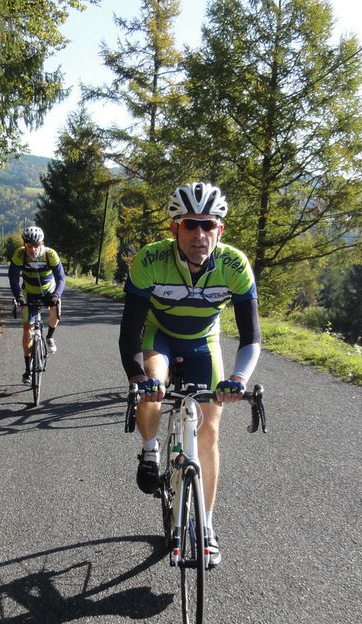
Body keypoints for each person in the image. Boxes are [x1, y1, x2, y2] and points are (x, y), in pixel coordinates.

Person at [118, 182, 261, 569]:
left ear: (220, 229)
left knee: (210, 429)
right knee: (154, 385)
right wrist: (138, 377)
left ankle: (207, 528)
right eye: (190, 225)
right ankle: (150, 450)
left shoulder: (234, 265)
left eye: (208, 225)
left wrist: (239, 379)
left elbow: (251, 337)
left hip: (203, 341)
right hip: (159, 336)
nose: (200, 234)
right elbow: (130, 332)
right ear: (175, 229)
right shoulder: (150, 260)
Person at [8, 226, 65, 384]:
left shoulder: (49, 254)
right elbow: (13, 277)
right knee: (27, 330)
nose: (33, 249)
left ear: (42, 243)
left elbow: (61, 278)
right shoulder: (20, 254)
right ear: (25, 245)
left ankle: (50, 337)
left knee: (56, 310)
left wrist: (56, 295)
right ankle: (27, 369)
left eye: (37, 245)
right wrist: (18, 296)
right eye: (29, 246)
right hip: (29, 293)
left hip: (49, 291)